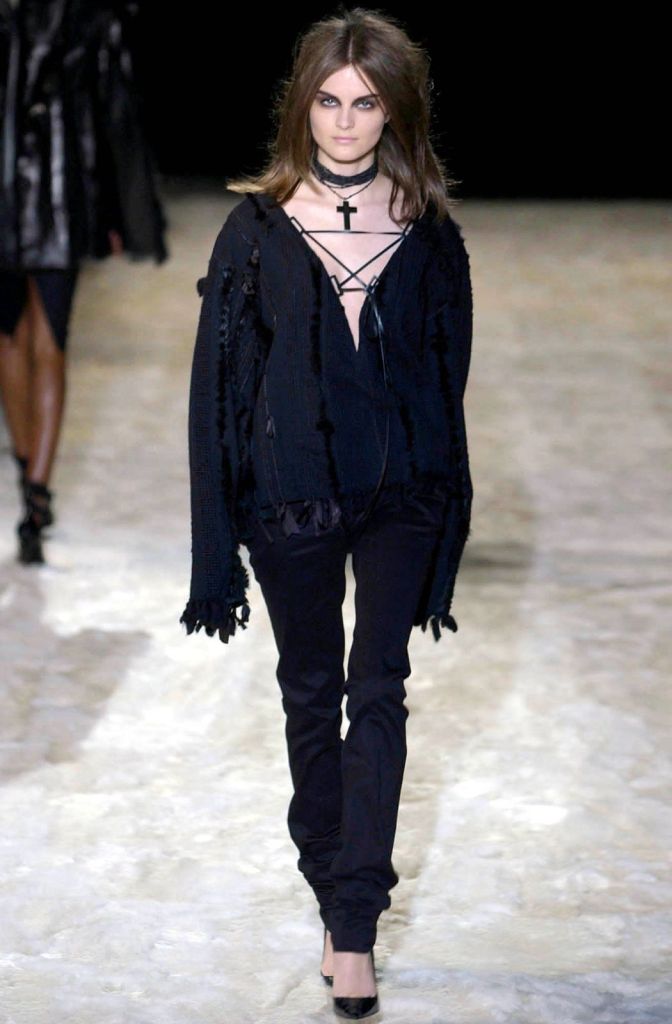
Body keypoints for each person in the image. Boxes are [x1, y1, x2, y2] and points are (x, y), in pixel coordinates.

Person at [180, 7, 474, 1018]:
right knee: (310, 692)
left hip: (402, 493)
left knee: (378, 688)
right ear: (300, 108)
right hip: (291, 494)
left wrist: (446, 507)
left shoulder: (431, 232)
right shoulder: (253, 229)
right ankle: (328, 885)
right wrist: (216, 544)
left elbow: (446, 383)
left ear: (396, 114)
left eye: (366, 103)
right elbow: (217, 394)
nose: (345, 122)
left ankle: (355, 925)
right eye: (328, 101)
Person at [0, 0, 168, 565]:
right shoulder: (85, 14)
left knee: (28, 340)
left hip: (42, 193)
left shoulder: (84, 14)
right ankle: (34, 486)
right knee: (31, 341)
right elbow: (113, 108)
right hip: (50, 195)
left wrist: (116, 211)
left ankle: (33, 484)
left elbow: (110, 107)